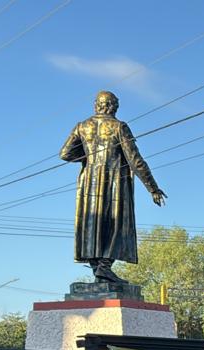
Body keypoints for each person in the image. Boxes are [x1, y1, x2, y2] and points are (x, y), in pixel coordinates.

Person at [60, 90, 166, 284]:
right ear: (111, 107)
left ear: (96, 105)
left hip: (89, 182)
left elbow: (65, 153)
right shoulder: (119, 127)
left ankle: (100, 270)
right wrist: (153, 188)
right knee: (114, 223)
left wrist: (89, 158)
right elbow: (135, 160)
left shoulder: (82, 127)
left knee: (92, 224)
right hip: (114, 181)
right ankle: (104, 267)